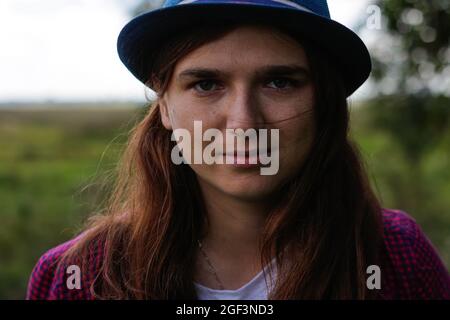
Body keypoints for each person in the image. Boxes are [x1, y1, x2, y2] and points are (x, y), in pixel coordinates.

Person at [26, 0, 450, 300]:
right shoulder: (77, 277)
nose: (244, 122)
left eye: (280, 82)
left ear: (324, 103)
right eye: (206, 84)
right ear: (165, 108)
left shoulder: (394, 257)